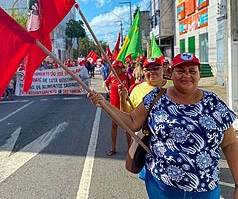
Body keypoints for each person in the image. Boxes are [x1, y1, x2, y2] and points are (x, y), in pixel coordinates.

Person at [88, 52, 238, 199]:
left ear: (199, 74)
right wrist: (103, 102)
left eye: (192, 71)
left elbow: (231, 143)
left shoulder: (214, 102)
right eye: (180, 71)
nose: (186, 75)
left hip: (206, 188)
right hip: (162, 186)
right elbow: (132, 122)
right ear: (171, 73)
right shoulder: (156, 97)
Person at [104, 60, 135, 156]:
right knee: (114, 126)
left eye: (115, 67)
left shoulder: (127, 75)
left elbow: (133, 87)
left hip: (125, 106)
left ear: (120, 67)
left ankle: (130, 148)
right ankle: (113, 148)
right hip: (114, 106)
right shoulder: (112, 75)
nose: (114, 69)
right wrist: (108, 90)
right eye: (113, 67)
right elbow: (105, 83)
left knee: (127, 127)